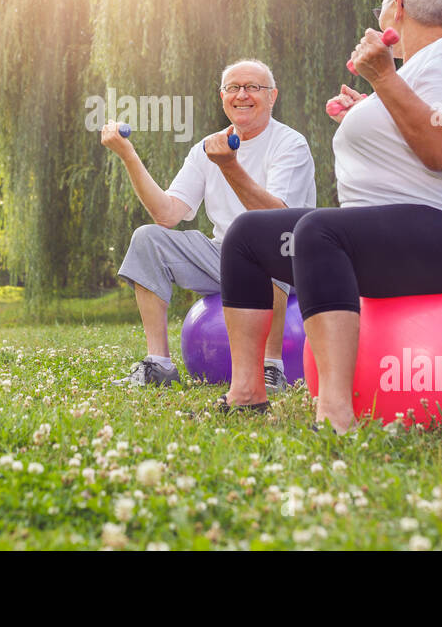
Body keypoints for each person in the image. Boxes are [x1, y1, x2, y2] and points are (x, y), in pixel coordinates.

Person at [217, 0, 442, 431]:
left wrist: (381, 78)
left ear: (395, 9)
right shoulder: (414, 75)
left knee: (319, 230)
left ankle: (335, 412)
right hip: (397, 239)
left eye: (382, 11)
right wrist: (368, 111)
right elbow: (415, 127)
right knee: (247, 236)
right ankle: (246, 393)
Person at [101, 60, 316, 388]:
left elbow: (275, 217)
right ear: (223, 97)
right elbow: (168, 214)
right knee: (147, 238)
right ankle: (158, 364)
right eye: (233, 88)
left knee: (266, 235)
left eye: (252, 87)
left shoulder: (290, 144)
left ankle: (271, 368)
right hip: (226, 256)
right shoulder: (207, 148)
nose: (241, 94)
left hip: (288, 261)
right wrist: (128, 155)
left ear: (272, 97)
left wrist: (229, 166)